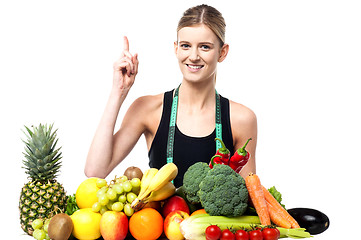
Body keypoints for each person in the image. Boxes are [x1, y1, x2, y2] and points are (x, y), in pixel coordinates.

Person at [85, 4, 257, 187]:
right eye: (186, 46)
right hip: (156, 217)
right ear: (176, 49)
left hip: (212, 217)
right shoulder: (147, 109)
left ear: (222, 52)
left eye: (205, 47)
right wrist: (117, 92)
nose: (193, 56)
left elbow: (250, 196)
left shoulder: (241, 119)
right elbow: (95, 170)